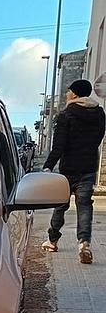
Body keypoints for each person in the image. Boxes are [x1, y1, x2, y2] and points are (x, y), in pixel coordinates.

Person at [41, 79, 105, 264]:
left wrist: (48, 165)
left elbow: (59, 145)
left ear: (75, 94)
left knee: (60, 205)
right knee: (85, 205)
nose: (67, 94)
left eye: (69, 91)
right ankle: (84, 242)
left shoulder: (66, 115)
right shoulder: (100, 113)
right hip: (88, 167)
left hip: (68, 168)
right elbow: (98, 138)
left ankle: (52, 241)